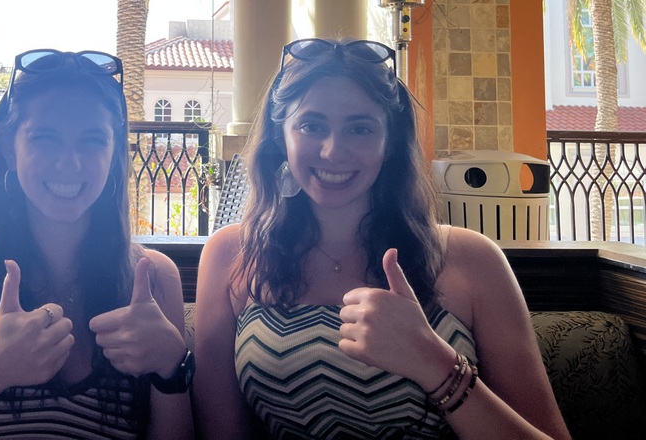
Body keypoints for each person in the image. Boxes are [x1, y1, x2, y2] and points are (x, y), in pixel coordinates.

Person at [193, 38, 570, 440]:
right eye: (311, 125)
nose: (333, 151)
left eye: (360, 128)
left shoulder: (472, 259)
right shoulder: (231, 254)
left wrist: (433, 362)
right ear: (279, 137)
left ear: (390, 143)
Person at [0, 49, 194, 440]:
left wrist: (171, 368)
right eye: (45, 138)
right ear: (9, 149)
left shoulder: (154, 278)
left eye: (93, 141)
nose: (70, 163)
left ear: (114, 156)